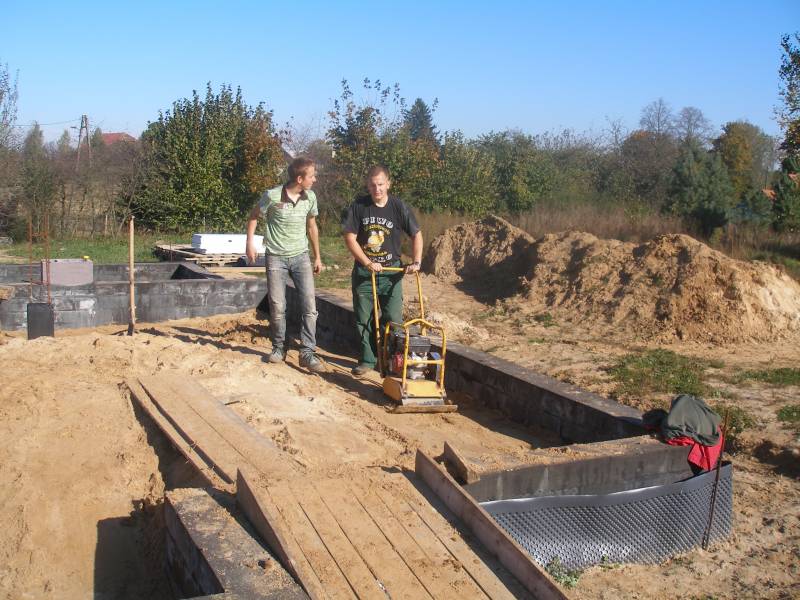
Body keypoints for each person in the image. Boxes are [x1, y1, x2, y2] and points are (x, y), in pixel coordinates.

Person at [245, 157, 326, 373]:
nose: (315, 179)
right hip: (276, 258)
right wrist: (250, 244)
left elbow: (312, 226)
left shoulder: (310, 197)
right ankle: (279, 347)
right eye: (312, 176)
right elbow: (253, 217)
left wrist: (317, 257)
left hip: (301, 257)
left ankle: (307, 352)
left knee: (310, 306)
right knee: (278, 306)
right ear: (300, 179)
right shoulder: (272, 196)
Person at [342, 165, 423, 376]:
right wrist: (367, 262)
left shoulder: (398, 207)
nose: (377, 189)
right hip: (365, 273)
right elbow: (349, 238)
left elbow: (417, 235)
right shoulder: (359, 206)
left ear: (388, 184)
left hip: (391, 273)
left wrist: (416, 261)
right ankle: (367, 360)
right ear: (367, 185)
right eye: (372, 185)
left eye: (380, 184)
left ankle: (390, 361)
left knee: (393, 318)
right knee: (364, 318)